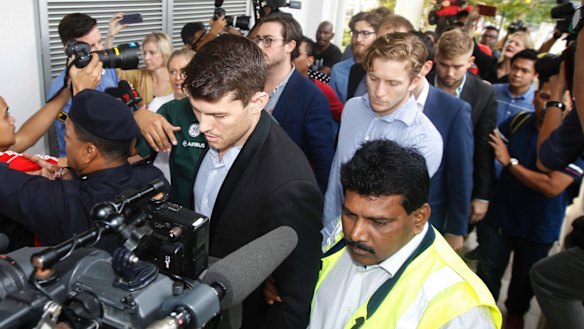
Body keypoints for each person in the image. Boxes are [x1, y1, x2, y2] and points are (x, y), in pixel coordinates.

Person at [186, 34, 322, 328]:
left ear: (258, 102)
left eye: (218, 115)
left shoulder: (289, 186)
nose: (203, 125)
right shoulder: (220, 133)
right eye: (197, 110)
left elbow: (291, 304)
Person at [309, 140, 501, 328]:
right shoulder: (338, 235)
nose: (356, 234)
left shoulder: (460, 310)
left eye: (378, 222)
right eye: (349, 214)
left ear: (419, 217)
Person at [477, 63, 583, 329]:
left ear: (567, 103)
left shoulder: (573, 139)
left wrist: (510, 163)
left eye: (554, 99)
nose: (546, 104)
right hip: (499, 221)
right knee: (487, 276)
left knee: (523, 290)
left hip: (539, 229)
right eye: (543, 96)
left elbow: (552, 186)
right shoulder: (518, 122)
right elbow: (486, 152)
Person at [0, 89, 165, 248]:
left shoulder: (64, 205)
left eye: (68, 137)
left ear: (89, 152)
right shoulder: (155, 180)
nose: (65, 142)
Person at [322, 32, 443, 243]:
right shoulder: (351, 108)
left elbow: (395, 211)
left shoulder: (424, 140)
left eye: (392, 83)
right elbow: (336, 175)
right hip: (328, 232)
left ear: (414, 81)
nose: (379, 92)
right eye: (373, 78)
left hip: (371, 247)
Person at [253, 13, 334, 193]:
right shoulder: (247, 84)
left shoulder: (311, 97)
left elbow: (323, 159)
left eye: (268, 40)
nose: (259, 46)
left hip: (284, 192)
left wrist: (313, 205)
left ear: (290, 45)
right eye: (258, 39)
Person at [412, 31, 474, 251]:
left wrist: (456, 228)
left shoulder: (456, 110)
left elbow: (461, 173)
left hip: (431, 218)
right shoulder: (387, 98)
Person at [430, 28, 498, 225]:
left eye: (457, 66)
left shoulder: (485, 93)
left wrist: (481, 196)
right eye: (444, 65)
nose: (450, 73)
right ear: (436, 58)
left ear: (470, 62)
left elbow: (484, 147)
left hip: (458, 185)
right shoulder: (417, 83)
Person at [48, 13, 120, 156]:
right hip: (80, 164)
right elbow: (63, 121)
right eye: (91, 46)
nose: (99, 50)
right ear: (69, 50)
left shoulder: (108, 70)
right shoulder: (58, 91)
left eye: (100, 42)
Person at [147, 48, 196, 183]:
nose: (178, 77)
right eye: (172, 72)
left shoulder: (204, 108)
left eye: (183, 71)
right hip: (161, 176)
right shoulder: (158, 104)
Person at [107, 16, 173, 105]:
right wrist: (110, 36)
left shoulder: (177, 80)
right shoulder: (140, 75)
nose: (146, 57)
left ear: (165, 53)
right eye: (144, 53)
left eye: (152, 53)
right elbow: (110, 72)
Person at [330, 11, 382, 103]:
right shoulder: (338, 69)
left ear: (377, 36)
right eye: (355, 32)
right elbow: (332, 106)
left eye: (365, 33)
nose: (358, 39)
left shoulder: (382, 70)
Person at [293, 36, 343, 123]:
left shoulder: (322, 89)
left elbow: (344, 116)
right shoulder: (272, 83)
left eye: (296, 54)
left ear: (310, 61)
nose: (290, 58)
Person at [493, 49, 538, 125]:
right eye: (515, 68)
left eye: (525, 71)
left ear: (535, 75)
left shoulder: (536, 102)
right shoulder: (493, 90)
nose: (517, 74)